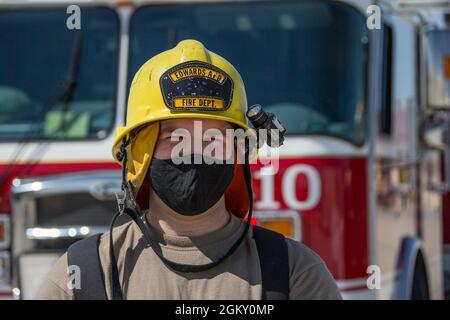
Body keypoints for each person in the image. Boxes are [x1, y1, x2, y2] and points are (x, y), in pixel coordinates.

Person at [37, 39, 342, 300]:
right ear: (138, 153)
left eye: (213, 138)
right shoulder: (80, 277)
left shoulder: (295, 275)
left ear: (238, 152)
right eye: (173, 137)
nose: (194, 152)